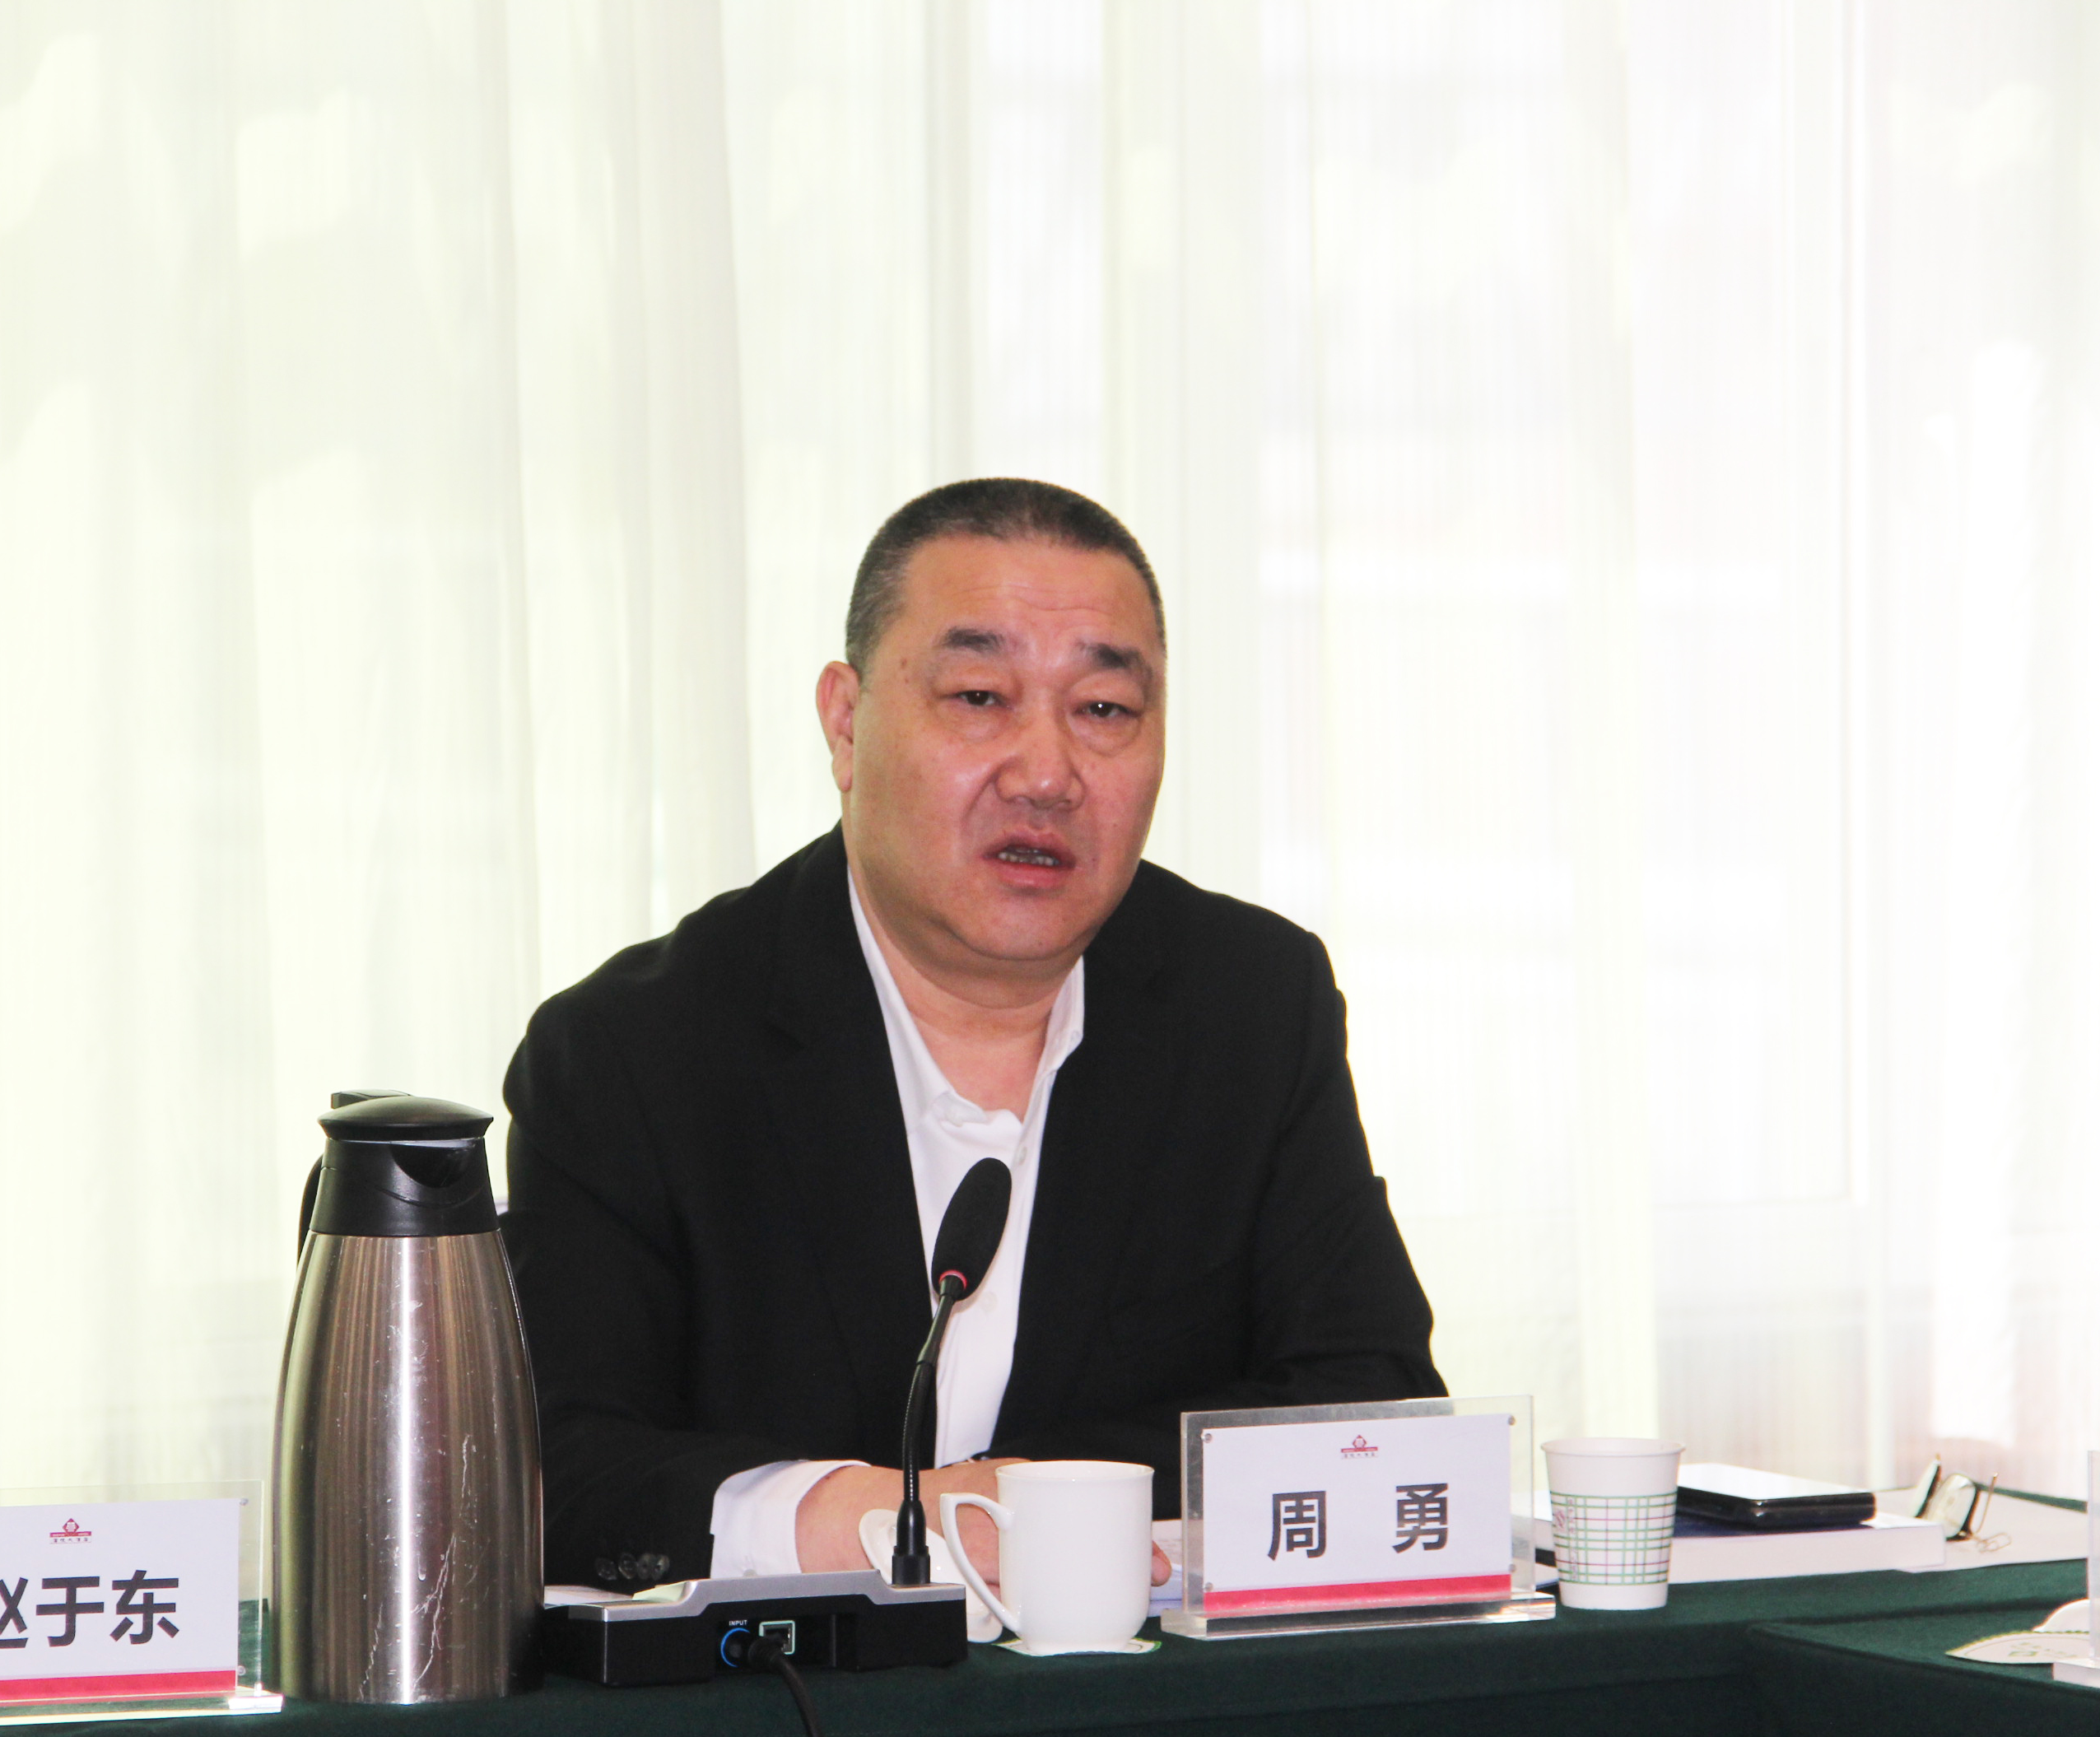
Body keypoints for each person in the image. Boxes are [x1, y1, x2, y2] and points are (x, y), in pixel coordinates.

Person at [501, 477, 1442, 1594]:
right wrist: (878, 1518)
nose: (1046, 775)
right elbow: (559, 1470)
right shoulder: (634, 1053)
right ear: (846, 724)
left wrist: (1040, 1500)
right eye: (980, 696)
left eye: (1104, 710)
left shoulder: (1251, 1008)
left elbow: (1373, 1412)